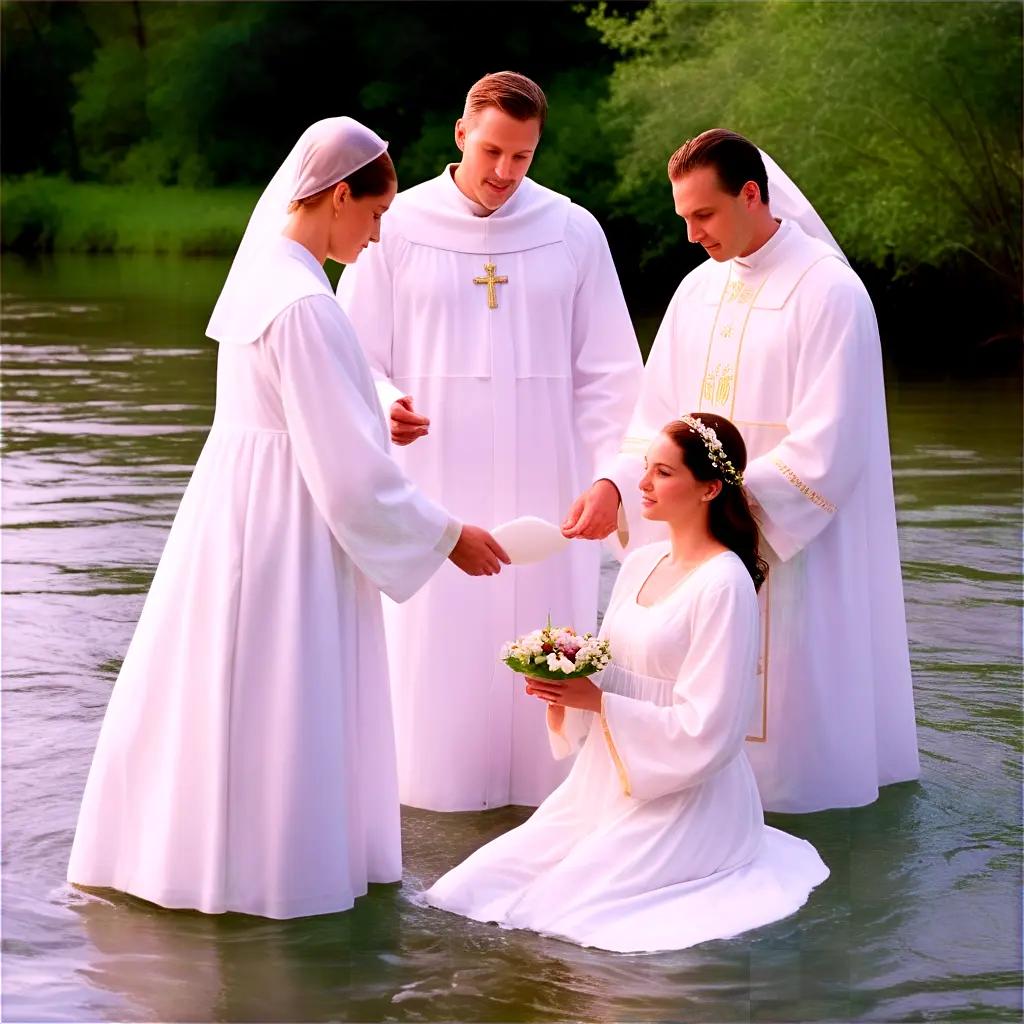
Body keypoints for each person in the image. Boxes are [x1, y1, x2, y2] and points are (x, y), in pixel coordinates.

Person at [66, 117, 509, 919]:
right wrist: (448, 537)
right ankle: (276, 875)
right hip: (288, 532)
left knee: (223, 691)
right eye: (374, 216)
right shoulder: (305, 302)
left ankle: (198, 861)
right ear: (340, 196)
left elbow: (309, 415)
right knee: (279, 692)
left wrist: (376, 412)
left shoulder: (267, 278)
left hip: (235, 515)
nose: (377, 238)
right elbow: (348, 476)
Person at [565, 129, 919, 813]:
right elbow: (654, 421)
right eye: (684, 218)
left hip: (795, 553)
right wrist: (618, 485)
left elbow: (831, 445)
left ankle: (797, 804)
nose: (693, 234)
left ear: (751, 195)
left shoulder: (830, 291)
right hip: (700, 538)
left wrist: (716, 512)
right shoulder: (695, 292)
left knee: (787, 707)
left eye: (705, 215)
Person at [337, 72, 643, 812]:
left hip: (551, 486)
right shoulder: (395, 227)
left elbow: (611, 376)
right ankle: (428, 804)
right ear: (460, 134)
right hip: (434, 485)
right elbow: (350, 354)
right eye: (493, 152)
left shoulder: (572, 231)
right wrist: (383, 404)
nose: (505, 173)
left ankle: (552, 798)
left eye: (523, 157)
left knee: (548, 638)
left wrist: (613, 481)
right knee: (435, 651)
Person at [424, 415, 830, 953]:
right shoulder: (638, 562)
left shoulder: (725, 583)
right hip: (606, 779)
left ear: (709, 488)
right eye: (645, 468)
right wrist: (564, 681)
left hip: (686, 796)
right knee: (462, 891)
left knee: (557, 913)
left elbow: (710, 727)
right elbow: (615, 670)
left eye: (662, 472)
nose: (641, 484)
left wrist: (599, 700)